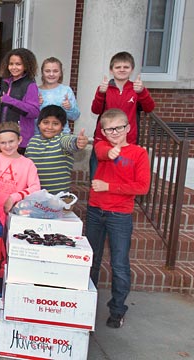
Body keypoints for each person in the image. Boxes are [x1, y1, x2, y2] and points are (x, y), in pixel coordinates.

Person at [86, 108, 151, 329]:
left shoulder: (138, 154)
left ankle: (117, 310)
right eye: (109, 129)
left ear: (128, 128)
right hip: (95, 211)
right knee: (91, 260)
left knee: (119, 264)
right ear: (103, 131)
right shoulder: (101, 146)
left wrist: (109, 187)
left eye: (119, 128)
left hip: (120, 215)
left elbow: (142, 187)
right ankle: (87, 303)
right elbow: (104, 152)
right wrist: (110, 151)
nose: (114, 132)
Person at [90, 51, 155, 179]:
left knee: (123, 176)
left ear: (132, 70)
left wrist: (142, 92)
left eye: (126, 67)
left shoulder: (136, 89)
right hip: (104, 140)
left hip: (127, 140)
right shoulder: (104, 88)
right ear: (111, 70)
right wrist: (100, 93)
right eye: (118, 67)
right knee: (97, 175)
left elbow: (149, 108)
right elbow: (96, 110)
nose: (122, 70)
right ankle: (96, 199)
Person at [25, 105, 88, 194]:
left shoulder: (62, 139)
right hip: (35, 197)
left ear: (62, 126)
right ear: (39, 123)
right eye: (45, 122)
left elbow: (70, 142)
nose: (50, 127)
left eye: (55, 124)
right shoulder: (32, 141)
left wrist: (77, 143)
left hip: (59, 199)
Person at [0, 48, 40, 152]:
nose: (14, 67)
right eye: (11, 64)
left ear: (26, 65)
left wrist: (10, 101)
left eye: (18, 64)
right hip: (3, 136)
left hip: (21, 139)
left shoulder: (30, 85)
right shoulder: (5, 83)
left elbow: (34, 112)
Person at [38, 57, 80, 134]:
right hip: (40, 136)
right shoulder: (35, 91)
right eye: (47, 71)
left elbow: (75, 116)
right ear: (42, 72)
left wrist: (69, 107)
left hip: (62, 136)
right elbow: (30, 115)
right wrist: (36, 105)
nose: (51, 74)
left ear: (60, 73)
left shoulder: (66, 90)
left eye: (55, 71)